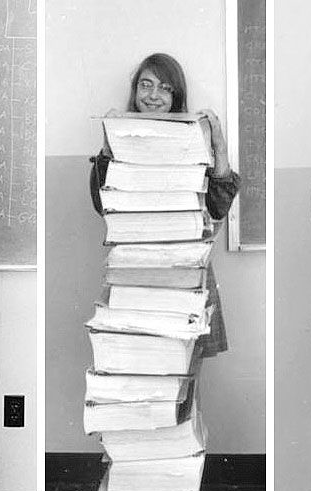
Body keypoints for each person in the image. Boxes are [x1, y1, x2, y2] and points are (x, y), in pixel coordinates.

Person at [89, 52, 240, 355]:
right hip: (135, 272)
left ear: (176, 96)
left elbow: (217, 208)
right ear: (135, 92)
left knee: (184, 383)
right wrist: (108, 147)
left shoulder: (194, 138)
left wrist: (219, 146)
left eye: (165, 88)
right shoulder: (119, 139)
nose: (153, 96)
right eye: (146, 85)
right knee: (141, 371)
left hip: (186, 273)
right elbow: (100, 203)